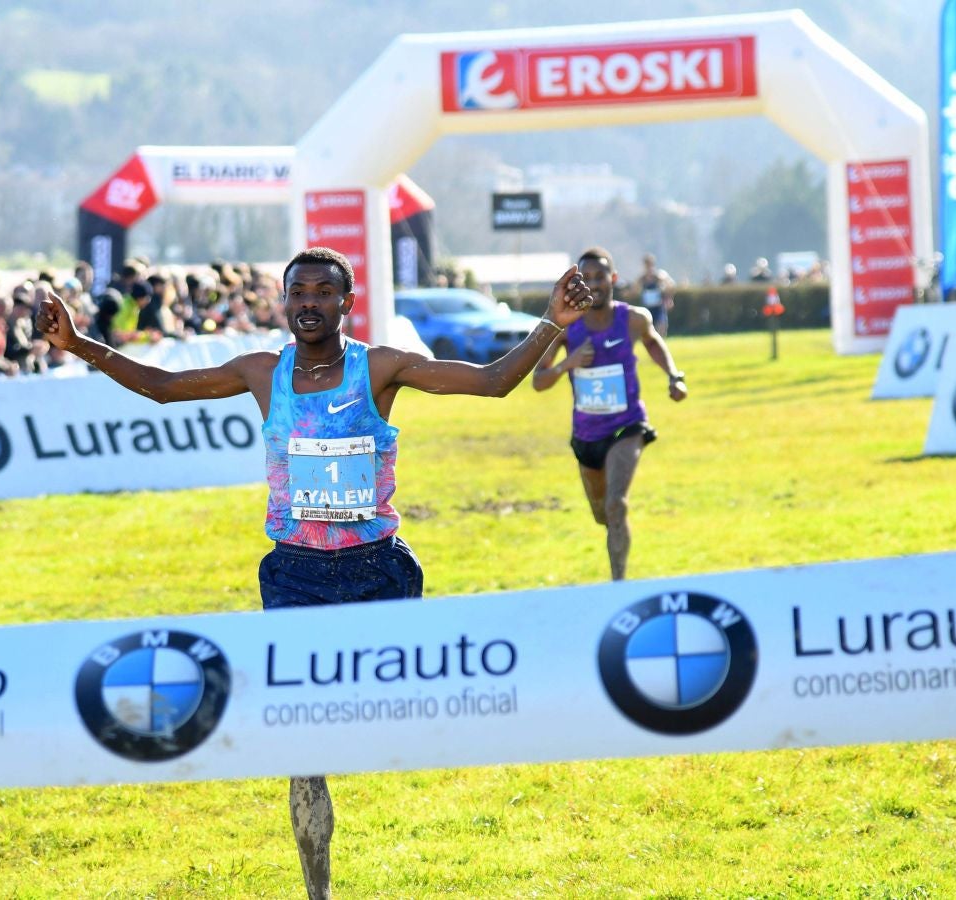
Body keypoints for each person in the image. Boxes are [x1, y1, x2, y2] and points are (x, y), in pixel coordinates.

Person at [36, 246, 592, 900]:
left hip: (378, 571)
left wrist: (551, 323)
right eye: (297, 292)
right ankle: (317, 889)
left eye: (322, 293)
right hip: (296, 576)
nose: (307, 304)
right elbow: (163, 388)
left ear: (345, 303)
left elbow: (494, 381)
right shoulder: (260, 373)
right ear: (284, 300)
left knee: (393, 718)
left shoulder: (380, 367)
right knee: (301, 741)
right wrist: (77, 344)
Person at [532, 247, 687, 582]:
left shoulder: (633, 319)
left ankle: (619, 586)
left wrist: (675, 376)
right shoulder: (567, 330)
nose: (594, 284)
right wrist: (567, 364)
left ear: (613, 279)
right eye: (585, 278)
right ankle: (613, 539)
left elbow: (653, 342)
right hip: (587, 434)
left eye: (600, 276)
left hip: (627, 425)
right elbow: (538, 382)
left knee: (617, 505)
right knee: (602, 514)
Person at [636, 253, 674, 336]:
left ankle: (662, 345)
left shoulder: (659, 276)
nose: (648, 267)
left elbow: (670, 285)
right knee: (649, 332)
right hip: (648, 308)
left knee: (662, 329)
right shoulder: (642, 278)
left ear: (653, 264)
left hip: (659, 307)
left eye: (650, 264)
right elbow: (635, 290)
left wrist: (669, 298)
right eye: (646, 265)